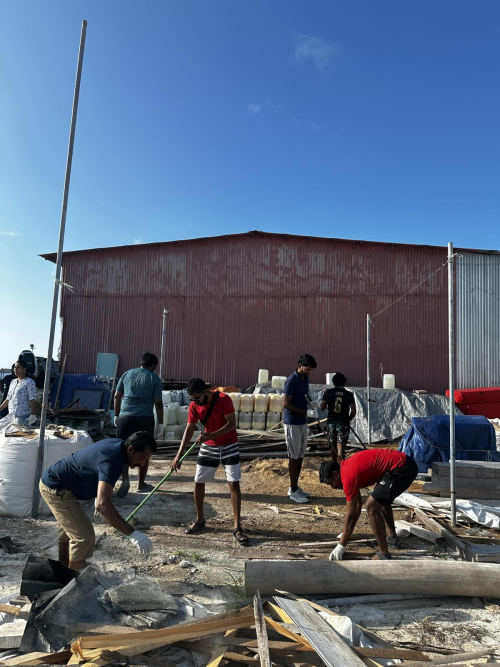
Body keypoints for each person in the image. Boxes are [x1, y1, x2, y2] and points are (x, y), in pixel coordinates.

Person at [39, 432, 156, 572]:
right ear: (131, 449)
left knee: (71, 528)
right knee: (84, 536)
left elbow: (96, 466)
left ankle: (63, 568)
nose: (142, 464)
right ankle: (71, 585)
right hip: (56, 487)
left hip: (62, 481)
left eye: (146, 460)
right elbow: (103, 505)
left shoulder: (119, 446)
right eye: (142, 458)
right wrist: (133, 534)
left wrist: (97, 494)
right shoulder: (111, 461)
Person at [170, 378, 249, 545]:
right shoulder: (194, 405)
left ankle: (236, 526)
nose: (195, 401)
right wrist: (178, 455)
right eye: (192, 399)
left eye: (197, 398)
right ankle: (200, 520)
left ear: (205, 391)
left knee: (233, 483)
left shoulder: (223, 400)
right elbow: (189, 429)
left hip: (229, 444)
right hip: (209, 446)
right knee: (199, 481)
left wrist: (211, 435)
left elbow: (231, 425)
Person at [319, 448, 418, 560]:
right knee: (381, 499)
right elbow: (356, 507)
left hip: (402, 468)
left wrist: (341, 545)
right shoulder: (346, 468)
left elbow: (351, 516)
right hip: (403, 464)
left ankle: (384, 553)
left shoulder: (348, 478)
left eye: (330, 483)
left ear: (336, 474)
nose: (333, 487)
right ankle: (392, 538)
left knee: (371, 506)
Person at [114, 352, 163, 496]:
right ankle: (141, 484)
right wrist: (160, 422)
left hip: (125, 417)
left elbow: (117, 396)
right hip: (145, 418)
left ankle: (125, 480)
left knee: (123, 449)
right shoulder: (154, 378)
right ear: (153, 365)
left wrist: (116, 415)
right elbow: (158, 403)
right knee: (145, 450)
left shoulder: (127, 374)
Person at [283, 354, 317, 503]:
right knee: (293, 456)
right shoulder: (291, 380)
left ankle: (295, 487)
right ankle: (292, 489)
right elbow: (286, 403)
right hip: (292, 422)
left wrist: (312, 404)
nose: (309, 372)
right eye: (308, 369)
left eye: (311, 370)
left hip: (302, 421)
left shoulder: (305, 378)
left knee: (301, 454)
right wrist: (305, 412)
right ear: (300, 366)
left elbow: (305, 395)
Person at [320, 373, 356, 461]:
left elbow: (322, 407)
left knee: (332, 445)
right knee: (341, 447)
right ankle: (341, 468)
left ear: (333, 382)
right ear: (344, 382)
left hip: (331, 422)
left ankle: (334, 465)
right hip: (343, 422)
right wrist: (349, 419)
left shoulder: (328, 392)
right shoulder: (349, 394)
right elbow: (353, 411)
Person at [0, 360, 37, 426]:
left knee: (19, 434)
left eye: (18, 367)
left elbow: (32, 400)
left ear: (24, 369)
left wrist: (33, 415)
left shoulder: (29, 382)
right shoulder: (13, 382)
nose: (15, 369)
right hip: (11, 415)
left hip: (22, 416)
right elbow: (8, 399)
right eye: (15, 367)